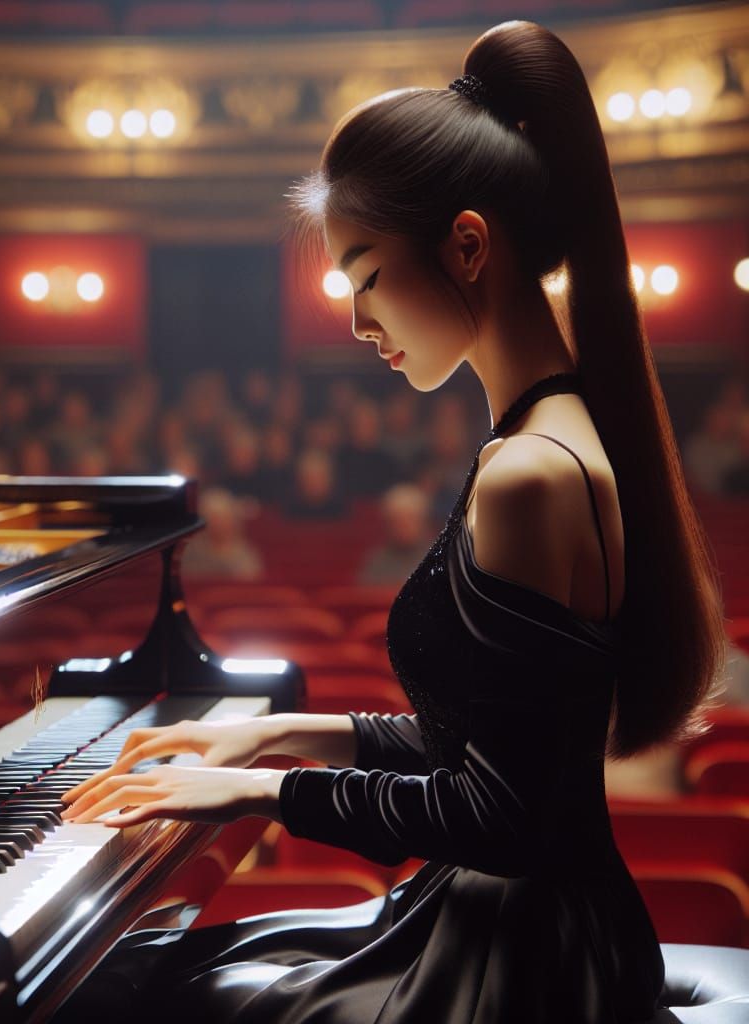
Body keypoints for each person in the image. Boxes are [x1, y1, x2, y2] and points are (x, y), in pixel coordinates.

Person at [56, 19, 729, 1022]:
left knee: (131, 992)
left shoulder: (530, 473)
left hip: (523, 968)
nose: (356, 322)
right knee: (148, 973)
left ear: (468, 246)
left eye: (366, 276)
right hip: (510, 922)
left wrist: (259, 791)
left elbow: (501, 814)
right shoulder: (546, 437)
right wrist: (273, 736)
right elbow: (494, 747)